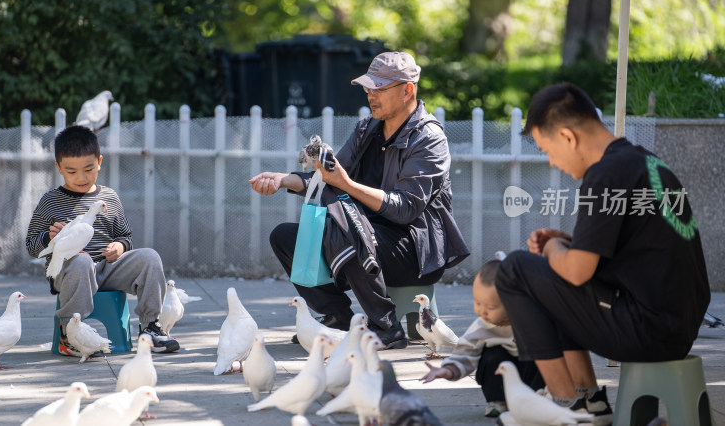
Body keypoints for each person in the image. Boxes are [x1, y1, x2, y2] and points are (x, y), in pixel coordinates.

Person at [495, 83, 710, 425]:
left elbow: (578, 272)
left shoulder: (606, 175)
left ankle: (566, 408)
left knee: (514, 271)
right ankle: (589, 401)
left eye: (546, 149)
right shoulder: (644, 163)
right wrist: (566, 243)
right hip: (674, 325)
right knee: (548, 277)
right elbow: (634, 250)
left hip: (647, 331)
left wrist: (552, 247)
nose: (552, 163)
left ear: (567, 136)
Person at [249, 51, 469, 349]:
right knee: (287, 236)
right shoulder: (367, 129)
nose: (371, 96)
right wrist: (282, 180)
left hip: (414, 248)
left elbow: (405, 209)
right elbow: (331, 176)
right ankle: (336, 318)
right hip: (363, 235)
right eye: (368, 89)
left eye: (379, 89)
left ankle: (386, 328)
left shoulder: (429, 138)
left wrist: (347, 184)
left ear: (408, 90)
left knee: (344, 226)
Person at [26, 126, 179, 355]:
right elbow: (31, 245)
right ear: (58, 168)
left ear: (99, 162)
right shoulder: (51, 202)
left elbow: (125, 236)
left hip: (107, 270)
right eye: (71, 171)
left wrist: (119, 247)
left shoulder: (109, 197)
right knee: (81, 261)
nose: (81, 177)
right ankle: (70, 333)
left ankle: (150, 328)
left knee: (149, 257)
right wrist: (49, 236)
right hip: (69, 273)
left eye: (88, 169)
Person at [419, 259, 544, 418]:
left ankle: (537, 399)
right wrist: (448, 369)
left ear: (516, 303)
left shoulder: (534, 321)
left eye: (490, 307)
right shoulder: (483, 325)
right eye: (478, 303)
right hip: (500, 377)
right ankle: (497, 401)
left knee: (543, 358)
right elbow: (465, 350)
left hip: (528, 374)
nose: (482, 311)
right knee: (491, 355)